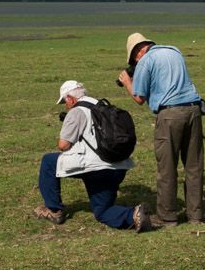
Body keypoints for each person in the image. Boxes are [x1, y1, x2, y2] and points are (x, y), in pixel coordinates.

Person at [34, 80, 150, 232]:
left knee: (49, 161)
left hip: (96, 168)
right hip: (119, 165)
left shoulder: (76, 111)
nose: (65, 105)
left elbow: (63, 145)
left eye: (64, 101)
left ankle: (53, 210)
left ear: (70, 98)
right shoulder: (103, 106)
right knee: (102, 211)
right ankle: (133, 215)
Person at [117, 33, 204, 226]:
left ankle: (167, 216)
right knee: (194, 166)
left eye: (133, 60)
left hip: (170, 115)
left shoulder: (146, 60)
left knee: (167, 168)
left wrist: (127, 82)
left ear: (137, 53)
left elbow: (139, 98)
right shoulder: (174, 51)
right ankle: (196, 216)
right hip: (194, 110)